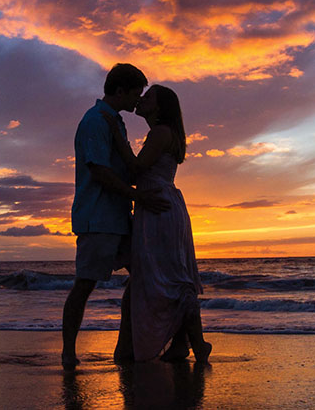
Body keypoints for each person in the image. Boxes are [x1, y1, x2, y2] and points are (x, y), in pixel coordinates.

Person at [62, 63, 169, 370]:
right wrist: (138, 196)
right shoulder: (96, 121)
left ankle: (128, 344)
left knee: (144, 276)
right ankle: (68, 352)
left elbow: (125, 168)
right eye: (136, 93)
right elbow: (99, 171)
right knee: (85, 284)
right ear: (120, 91)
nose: (139, 99)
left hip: (120, 216)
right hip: (98, 217)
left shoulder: (115, 122)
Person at [104, 84, 211, 364]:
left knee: (171, 278)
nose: (141, 99)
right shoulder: (165, 134)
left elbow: (137, 168)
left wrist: (117, 135)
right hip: (158, 204)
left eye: (148, 96)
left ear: (160, 107)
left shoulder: (161, 133)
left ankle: (197, 343)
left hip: (158, 207)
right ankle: (181, 344)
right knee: (165, 275)